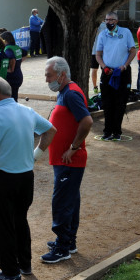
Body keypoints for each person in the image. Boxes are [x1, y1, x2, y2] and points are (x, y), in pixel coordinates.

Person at [0, 77, 56, 280]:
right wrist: (35, 155)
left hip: (3, 177)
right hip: (26, 176)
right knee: (20, 219)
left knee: (2, 225)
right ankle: (24, 265)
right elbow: (50, 130)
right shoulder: (26, 111)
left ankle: (10, 272)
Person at [41, 57, 93, 263]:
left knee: (62, 202)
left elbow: (87, 121)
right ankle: (68, 242)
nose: (47, 80)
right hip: (63, 160)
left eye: (49, 75)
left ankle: (62, 247)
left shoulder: (70, 94)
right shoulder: (65, 92)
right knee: (69, 201)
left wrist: (73, 148)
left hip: (69, 161)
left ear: (61, 75)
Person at [94, 12, 137, 141]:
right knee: (107, 103)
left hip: (122, 72)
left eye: (111, 20)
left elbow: (133, 51)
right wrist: (103, 66)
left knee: (120, 103)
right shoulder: (103, 35)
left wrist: (125, 65)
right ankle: (107, 132)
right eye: (106, 20)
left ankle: (117, 132)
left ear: (116, 21)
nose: (108, 22)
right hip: (107, 72)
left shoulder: (126, 32)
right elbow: (98, 54)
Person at [0, 31, 23, 100]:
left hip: (12, 77)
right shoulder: (16, 47)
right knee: (14, 98)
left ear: (5, 40)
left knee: (10, 99)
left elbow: (12, 58)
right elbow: (24, 54)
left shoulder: (8, 48)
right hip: (18, 75)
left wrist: (11, 69)